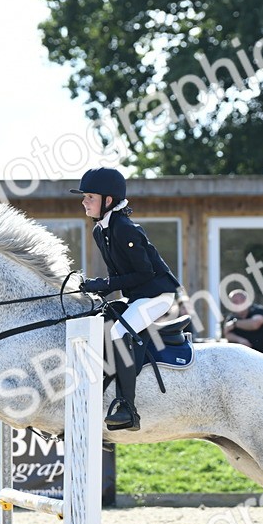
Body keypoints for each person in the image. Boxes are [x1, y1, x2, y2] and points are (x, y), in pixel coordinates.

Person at [71, 167, 180, 431]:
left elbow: (144, 273)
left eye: (90, 197)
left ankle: (128, 408)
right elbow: (118, 274)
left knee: (120, 332)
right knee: (101, 321)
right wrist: (100, 288)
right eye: (84, 197)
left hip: (157, 294)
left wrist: (105, 284)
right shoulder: (100, 231)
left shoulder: (125, 229)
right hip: (137, 297)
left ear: (108, 200)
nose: (84, 201)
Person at [222, 289, 263, 355]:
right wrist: (240, 340)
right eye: (232, 302)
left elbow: (255, 324)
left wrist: (235, 324)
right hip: (241, 354)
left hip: (262, 353)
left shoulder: (257, 310)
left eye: (235, 302)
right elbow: (227, 333)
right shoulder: (232, 316)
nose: (233, 304)